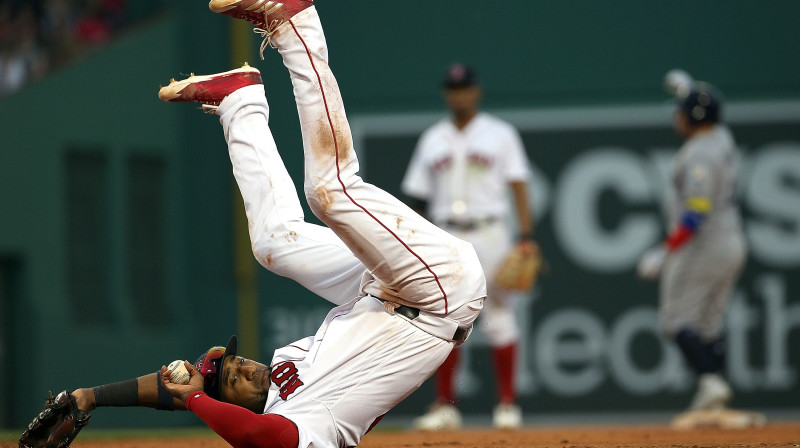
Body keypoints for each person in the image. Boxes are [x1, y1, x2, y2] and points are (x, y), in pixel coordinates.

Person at [21, 2, 487, 448]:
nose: (243, 367)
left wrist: (91, 396)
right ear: (238, 406)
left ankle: (239, 102)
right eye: (235, 381)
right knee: (331, 192)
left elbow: (175, 384)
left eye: (235, 362)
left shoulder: (282, 366)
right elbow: (258, 438)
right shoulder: (303, 420)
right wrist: (200, 399)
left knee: (272, 244)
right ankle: (297, 26)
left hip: (377, 291)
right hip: (440, 297)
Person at [401, 63, 538, 430]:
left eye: (464, 88)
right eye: (452, 88)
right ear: (447, 93)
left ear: (475, 91)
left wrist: (526, 236)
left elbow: (519, 185)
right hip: (445, 234)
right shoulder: (432, 138)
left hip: (491, 232)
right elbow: (416, 196)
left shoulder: (501, 134)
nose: (458, 94)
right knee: (444, 318)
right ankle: (446, 406)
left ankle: (508, 405)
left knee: (500, 315)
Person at [637, 72, 746, 413]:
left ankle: (711, 383)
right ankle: (717, 404)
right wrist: (691, 89)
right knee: (709, 324)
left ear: (694, 118)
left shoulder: (699, 154)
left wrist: (664, 250)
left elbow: (696, 213)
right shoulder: (722, 137)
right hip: (732, 241)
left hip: (703, 244)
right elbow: (710, 111)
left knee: (676, 321)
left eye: (681, 110)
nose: (677, 115)